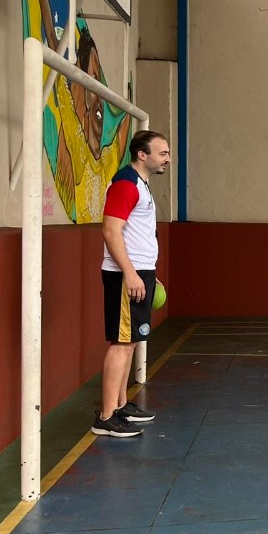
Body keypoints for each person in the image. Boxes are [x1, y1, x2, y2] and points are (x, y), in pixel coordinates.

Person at [93, 131, 171, 437]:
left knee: (131, 341)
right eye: (162, 153)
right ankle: (106, 417)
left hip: (140, 271)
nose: (167, 159)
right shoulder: (126, 184)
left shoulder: (141, 183)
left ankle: (121, 404)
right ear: (142, 154)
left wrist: (147, 271)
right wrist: (130, 273)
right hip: (125, 275)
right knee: (122, 343)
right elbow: (111, 231)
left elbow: (137, 235)